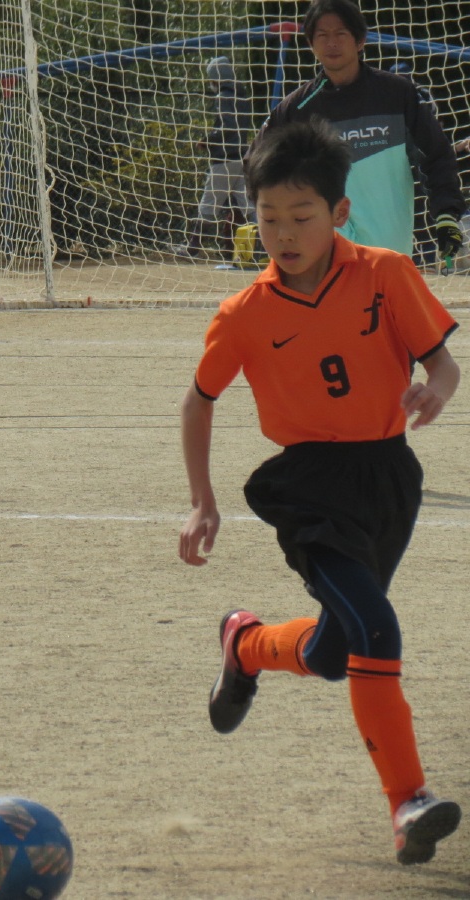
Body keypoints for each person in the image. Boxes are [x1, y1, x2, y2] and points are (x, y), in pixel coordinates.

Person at [179, 119, 461, 866]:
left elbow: (442, 363)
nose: (284, 234)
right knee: (377, 628)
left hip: (389, 479)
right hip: (308, 486)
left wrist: (436, 388)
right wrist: (202, 500)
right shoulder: (243, 314)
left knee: (338, 651)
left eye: (301, 216)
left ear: (339, 212)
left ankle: (246, 645)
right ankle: (408, 802)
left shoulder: (386, 274)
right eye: (269, 217)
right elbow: (198, 402)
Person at [249, 0, 465, 260]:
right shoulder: (296, 108)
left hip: (389, 250)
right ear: (311, 43)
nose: (332, 43)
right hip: (324, 253)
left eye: (340, 34)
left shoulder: (397, 94)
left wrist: (446, 214)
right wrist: (281, 218)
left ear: (360, 40)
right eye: (322, 35)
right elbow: (256, 163)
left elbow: (436, 155)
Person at [173, 56, 257, 260]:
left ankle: (193, 248)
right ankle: (261, 247)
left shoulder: (223, 96)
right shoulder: (242, 96)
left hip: (224, 159)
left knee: (209, 204)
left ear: (216, 77)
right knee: (248, 206)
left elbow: (227, 126)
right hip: (241, 157)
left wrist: (208, 140)